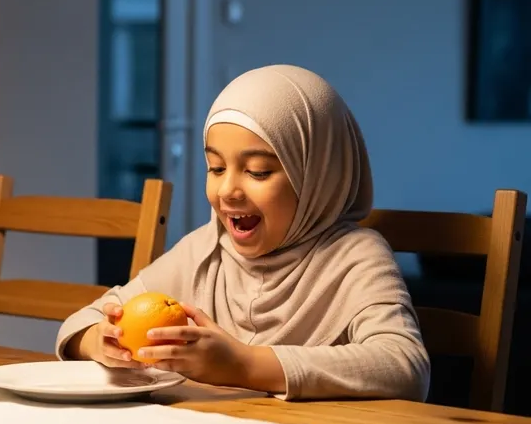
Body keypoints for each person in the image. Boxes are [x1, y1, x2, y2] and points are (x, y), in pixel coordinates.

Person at [55, 64, 430, 401]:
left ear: (317, 177)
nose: (228, 191)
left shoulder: (355, 255)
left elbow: (404, 365)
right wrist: (101, 342)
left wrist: (244, 365)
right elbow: (80, 323)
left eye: (258, 172)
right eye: (216, 168)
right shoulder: (205, 249)